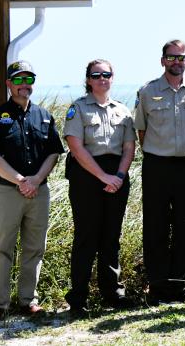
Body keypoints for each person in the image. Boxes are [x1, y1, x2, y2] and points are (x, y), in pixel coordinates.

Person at [0, 61, 64, 323]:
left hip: (38, 191)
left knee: (34, 247)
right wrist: (21, 181)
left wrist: (36, 180)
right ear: (9, 84)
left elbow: (53, 154)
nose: (24, 85)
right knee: (3, 248)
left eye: (28, 80)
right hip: (7, 192)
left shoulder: (44, 116)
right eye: (19, 80)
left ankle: (28, 301)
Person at [134, 39, 185, 304]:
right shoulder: (147, 91)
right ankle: (157, 288)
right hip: (157, 165)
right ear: (162, 60)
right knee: (155, 227)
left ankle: (181, 288)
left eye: (181, 57)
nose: (176, 61)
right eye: (171, 57)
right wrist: (160, 151)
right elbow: (141, 131)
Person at [63, 59, 137, 318]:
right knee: (86, 237)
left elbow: (129, 147)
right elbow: (76, 147)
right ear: (88, 80)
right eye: (96, 75)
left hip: (116, 176)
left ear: (112, 77)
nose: (102, 79)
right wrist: (103, 176)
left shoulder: (123, 111)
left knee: (111, 237)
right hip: (87, 176)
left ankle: (112, 293)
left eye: (106, 74)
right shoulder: (78, 108)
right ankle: (78, 298)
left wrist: (117, 176)